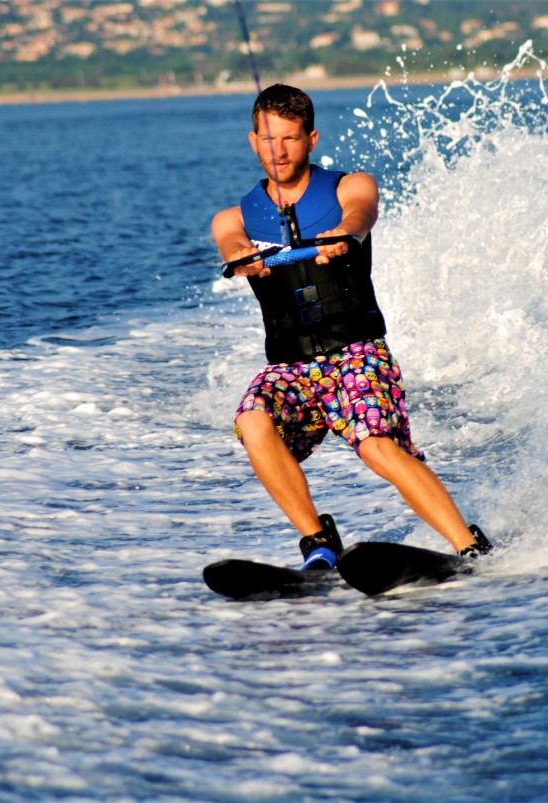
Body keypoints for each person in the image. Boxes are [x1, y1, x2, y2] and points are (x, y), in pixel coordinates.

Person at [211, 84, 492, 570]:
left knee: (378, 447)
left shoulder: (349, 188)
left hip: (356, 352)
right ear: (253, 141)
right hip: (292, 369)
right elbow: (232, 244)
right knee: (252, 418)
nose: (278, 151)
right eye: (268, 138)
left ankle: (470, 547)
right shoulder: (231, 218)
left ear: (311, 139)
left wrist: (345, 234)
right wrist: (242, 258)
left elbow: (363, 213)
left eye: (290, 139)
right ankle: (318, 542)